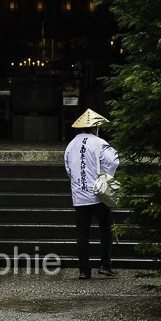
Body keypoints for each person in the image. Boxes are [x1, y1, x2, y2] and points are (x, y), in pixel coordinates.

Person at [64, 110, 119, 280]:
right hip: (97, 194)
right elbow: (113, 161)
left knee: (82, 232)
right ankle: (105, 264)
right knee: (106, 226)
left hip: (79, 195)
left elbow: (68, 169)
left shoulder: (70, 145)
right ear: (94, 127)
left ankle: (84, 269)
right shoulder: (100, 143)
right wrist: (104, 175)